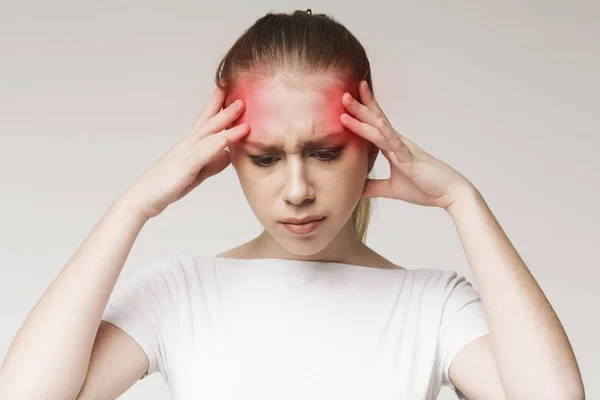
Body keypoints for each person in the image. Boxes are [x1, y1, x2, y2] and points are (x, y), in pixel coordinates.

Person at [0, 9, 584, 400]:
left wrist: (464, 201)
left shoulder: (431, 305)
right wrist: (134, 207)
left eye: (325, 152)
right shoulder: (180, 292)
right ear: (228, 154)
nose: (297, 188)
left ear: (373, 146)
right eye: (264, 157)